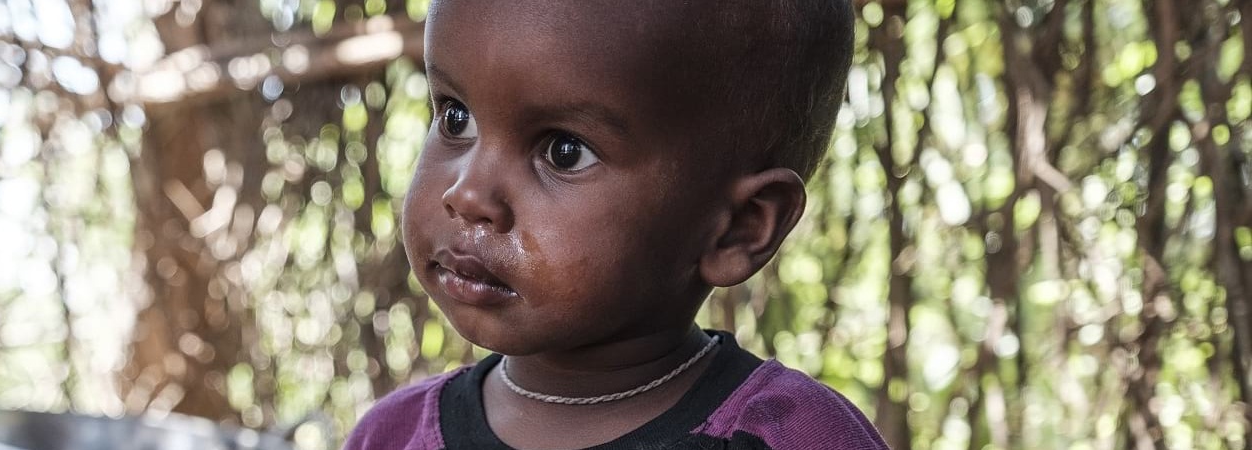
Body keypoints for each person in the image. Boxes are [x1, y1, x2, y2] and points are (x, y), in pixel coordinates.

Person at [343, 0, 886, 449]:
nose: (467, 194)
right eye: (455, 115)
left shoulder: (795, 436)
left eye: (564, 151)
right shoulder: (392, 435)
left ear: (739, 227)